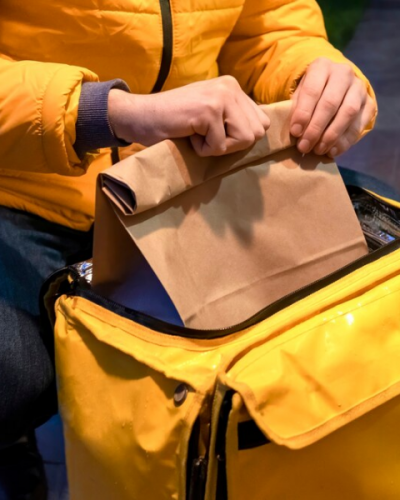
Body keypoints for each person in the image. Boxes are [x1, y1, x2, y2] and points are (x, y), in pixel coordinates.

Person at [0, 0, 376, 497]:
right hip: (23, 188)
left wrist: (314, 74)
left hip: (187, 175)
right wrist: (107, 112)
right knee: (14, 370)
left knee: (351, 289)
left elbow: (270, 26)